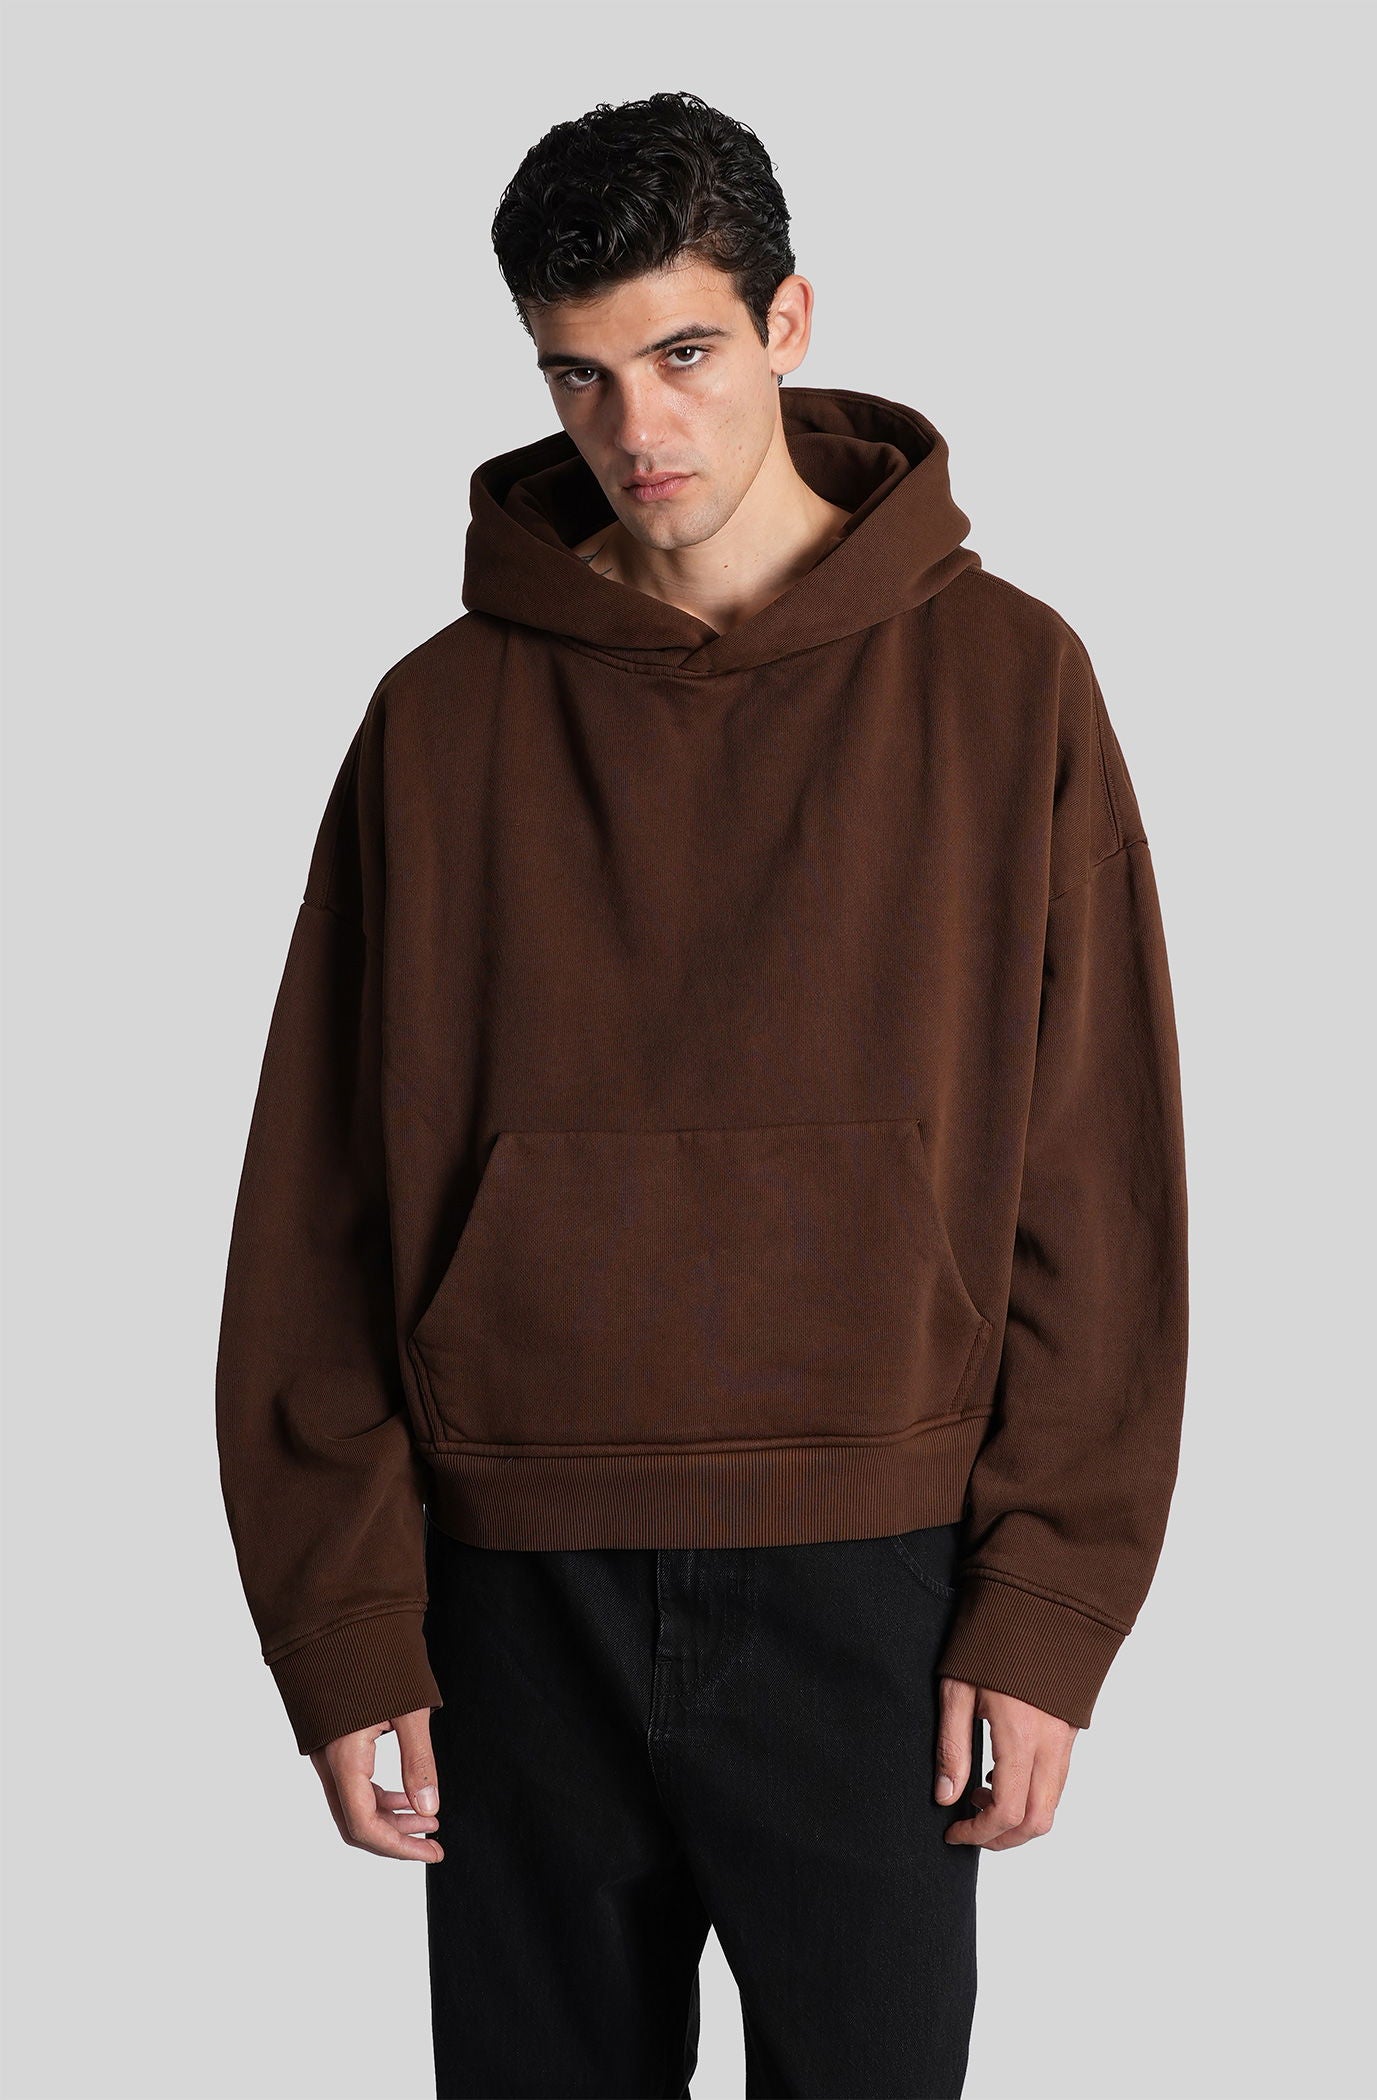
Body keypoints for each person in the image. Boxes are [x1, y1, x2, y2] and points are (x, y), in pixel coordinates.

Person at [215, 89, 1189, 2100]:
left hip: (882, 1580)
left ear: (787, 320)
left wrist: (1049, 1601)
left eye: (682, 354)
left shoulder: (1010, 685)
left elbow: (1097, 1178)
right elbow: (314, 1201)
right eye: (577, 376)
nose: (636, 428)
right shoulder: (438, 718)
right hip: (512, 1589)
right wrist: (342, 1620)